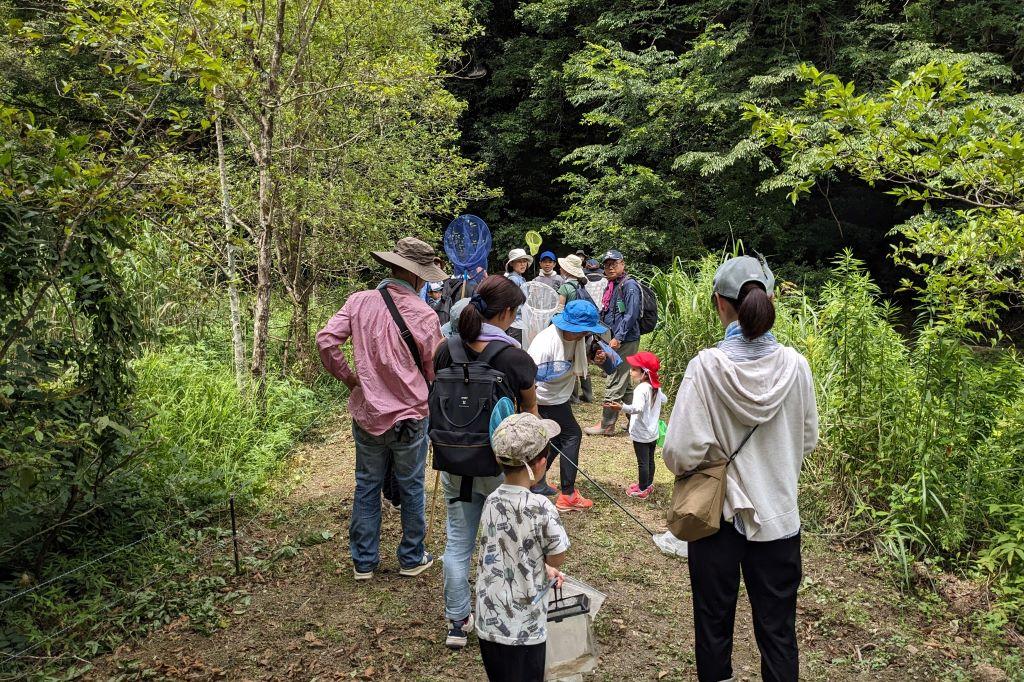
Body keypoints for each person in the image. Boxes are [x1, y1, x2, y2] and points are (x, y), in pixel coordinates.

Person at [661, 255, 818, 682]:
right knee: (779, 631)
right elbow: (807, 441)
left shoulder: (705, 368)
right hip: (779, 519)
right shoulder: (797, 367)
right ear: (768, 301)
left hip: (717, 520)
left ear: (719, 303)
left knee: (713, 626)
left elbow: (677, 453)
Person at [316, 237, 446, 581]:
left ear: (393, 267)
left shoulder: (358, 302)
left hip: (368, 412)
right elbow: (433, 367)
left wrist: (351, 379)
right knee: (412, 485)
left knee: (366, 485)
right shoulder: (423, 313)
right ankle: (411, 556)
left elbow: (326, 340)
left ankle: (364, 562)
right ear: (418, 276)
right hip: (410, 414)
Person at [432, 275, 540, 650]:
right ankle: (505, 614)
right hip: (502, 467)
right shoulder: (515, 357)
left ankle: (457, 622)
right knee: (507, 541)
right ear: (507, 312)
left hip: (454, 461)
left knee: (457, 543)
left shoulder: (446, 350)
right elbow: (530, 413)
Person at [476, 412, 569, 682]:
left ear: (498, 459)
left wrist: (543, 567)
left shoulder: (491, 500)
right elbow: (557, 554)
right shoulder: (541, 507)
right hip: (525, 624)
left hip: (489, 618)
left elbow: (505, 547)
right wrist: (550, 566)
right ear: (541, 464)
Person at [527, 300, 607, 510]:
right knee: (572, 435)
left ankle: (537, 482)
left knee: (556, 440)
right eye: (581, 330)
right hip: (545, 399)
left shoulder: (578, 338)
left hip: (559, 397)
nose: (584, 334)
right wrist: (532, 411)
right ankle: (568, 494)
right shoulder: (545, 344)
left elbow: (576, 359)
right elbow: (528, 382)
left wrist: (594, 357)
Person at [585, 249, 642, 437]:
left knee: (615, 380)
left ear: (622, 264)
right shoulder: (612, 285)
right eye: (607, 264)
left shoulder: (629, 286)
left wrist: (618, 336)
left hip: (625, 339)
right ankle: (638, 420)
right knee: (624, 384)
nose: (610, 267)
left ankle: (607, 425)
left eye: (614, 264)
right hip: (615, 338)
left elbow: (631, 314)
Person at [604, 351, 667, 499]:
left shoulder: (641, 389)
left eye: (634, 369)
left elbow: (636, 408)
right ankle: (648, 484)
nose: (631, 372)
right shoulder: (654, 387)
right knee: (650, 460)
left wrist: (621, 407)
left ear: (644, 373)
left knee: (642, 463)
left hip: (641, 433)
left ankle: (642, 489)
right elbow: (663, 400)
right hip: (652, 432)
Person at [504, 248, 533, 345]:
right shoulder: (513, 279)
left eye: (524, 261)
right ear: (511, 263)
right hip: (516, 323)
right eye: (519, 261)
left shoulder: (520, 278)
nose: (523, 264)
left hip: (520, 322)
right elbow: (513, 304)